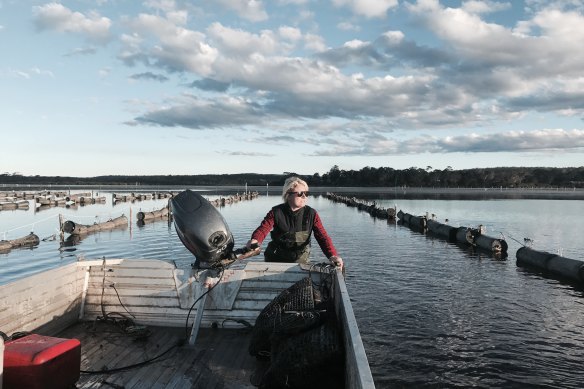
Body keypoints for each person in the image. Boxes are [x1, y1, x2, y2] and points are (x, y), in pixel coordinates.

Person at [246, 177, 344, 269]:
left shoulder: (312, 214)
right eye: (300, 193)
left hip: (300, 259)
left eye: (306, 193)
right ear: (288, 195)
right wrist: (255, 240)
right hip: (275, 258)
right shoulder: (276, 212)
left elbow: (322, 237)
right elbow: (263, 229)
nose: (304, 196)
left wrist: (332, 255)